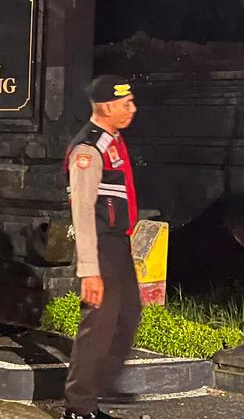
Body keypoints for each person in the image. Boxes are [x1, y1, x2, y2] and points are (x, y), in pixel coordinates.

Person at [62, 76, 142, 419]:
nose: (132, 109)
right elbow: (82, 212)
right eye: (126, 104)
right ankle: (79, 408)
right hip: (100, 246)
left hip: (117, 243)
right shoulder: (88, 150)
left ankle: (100, 385)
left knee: (128, 316)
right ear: (107, 107)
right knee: (99, 326)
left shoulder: (112, 140)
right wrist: (89, 270)